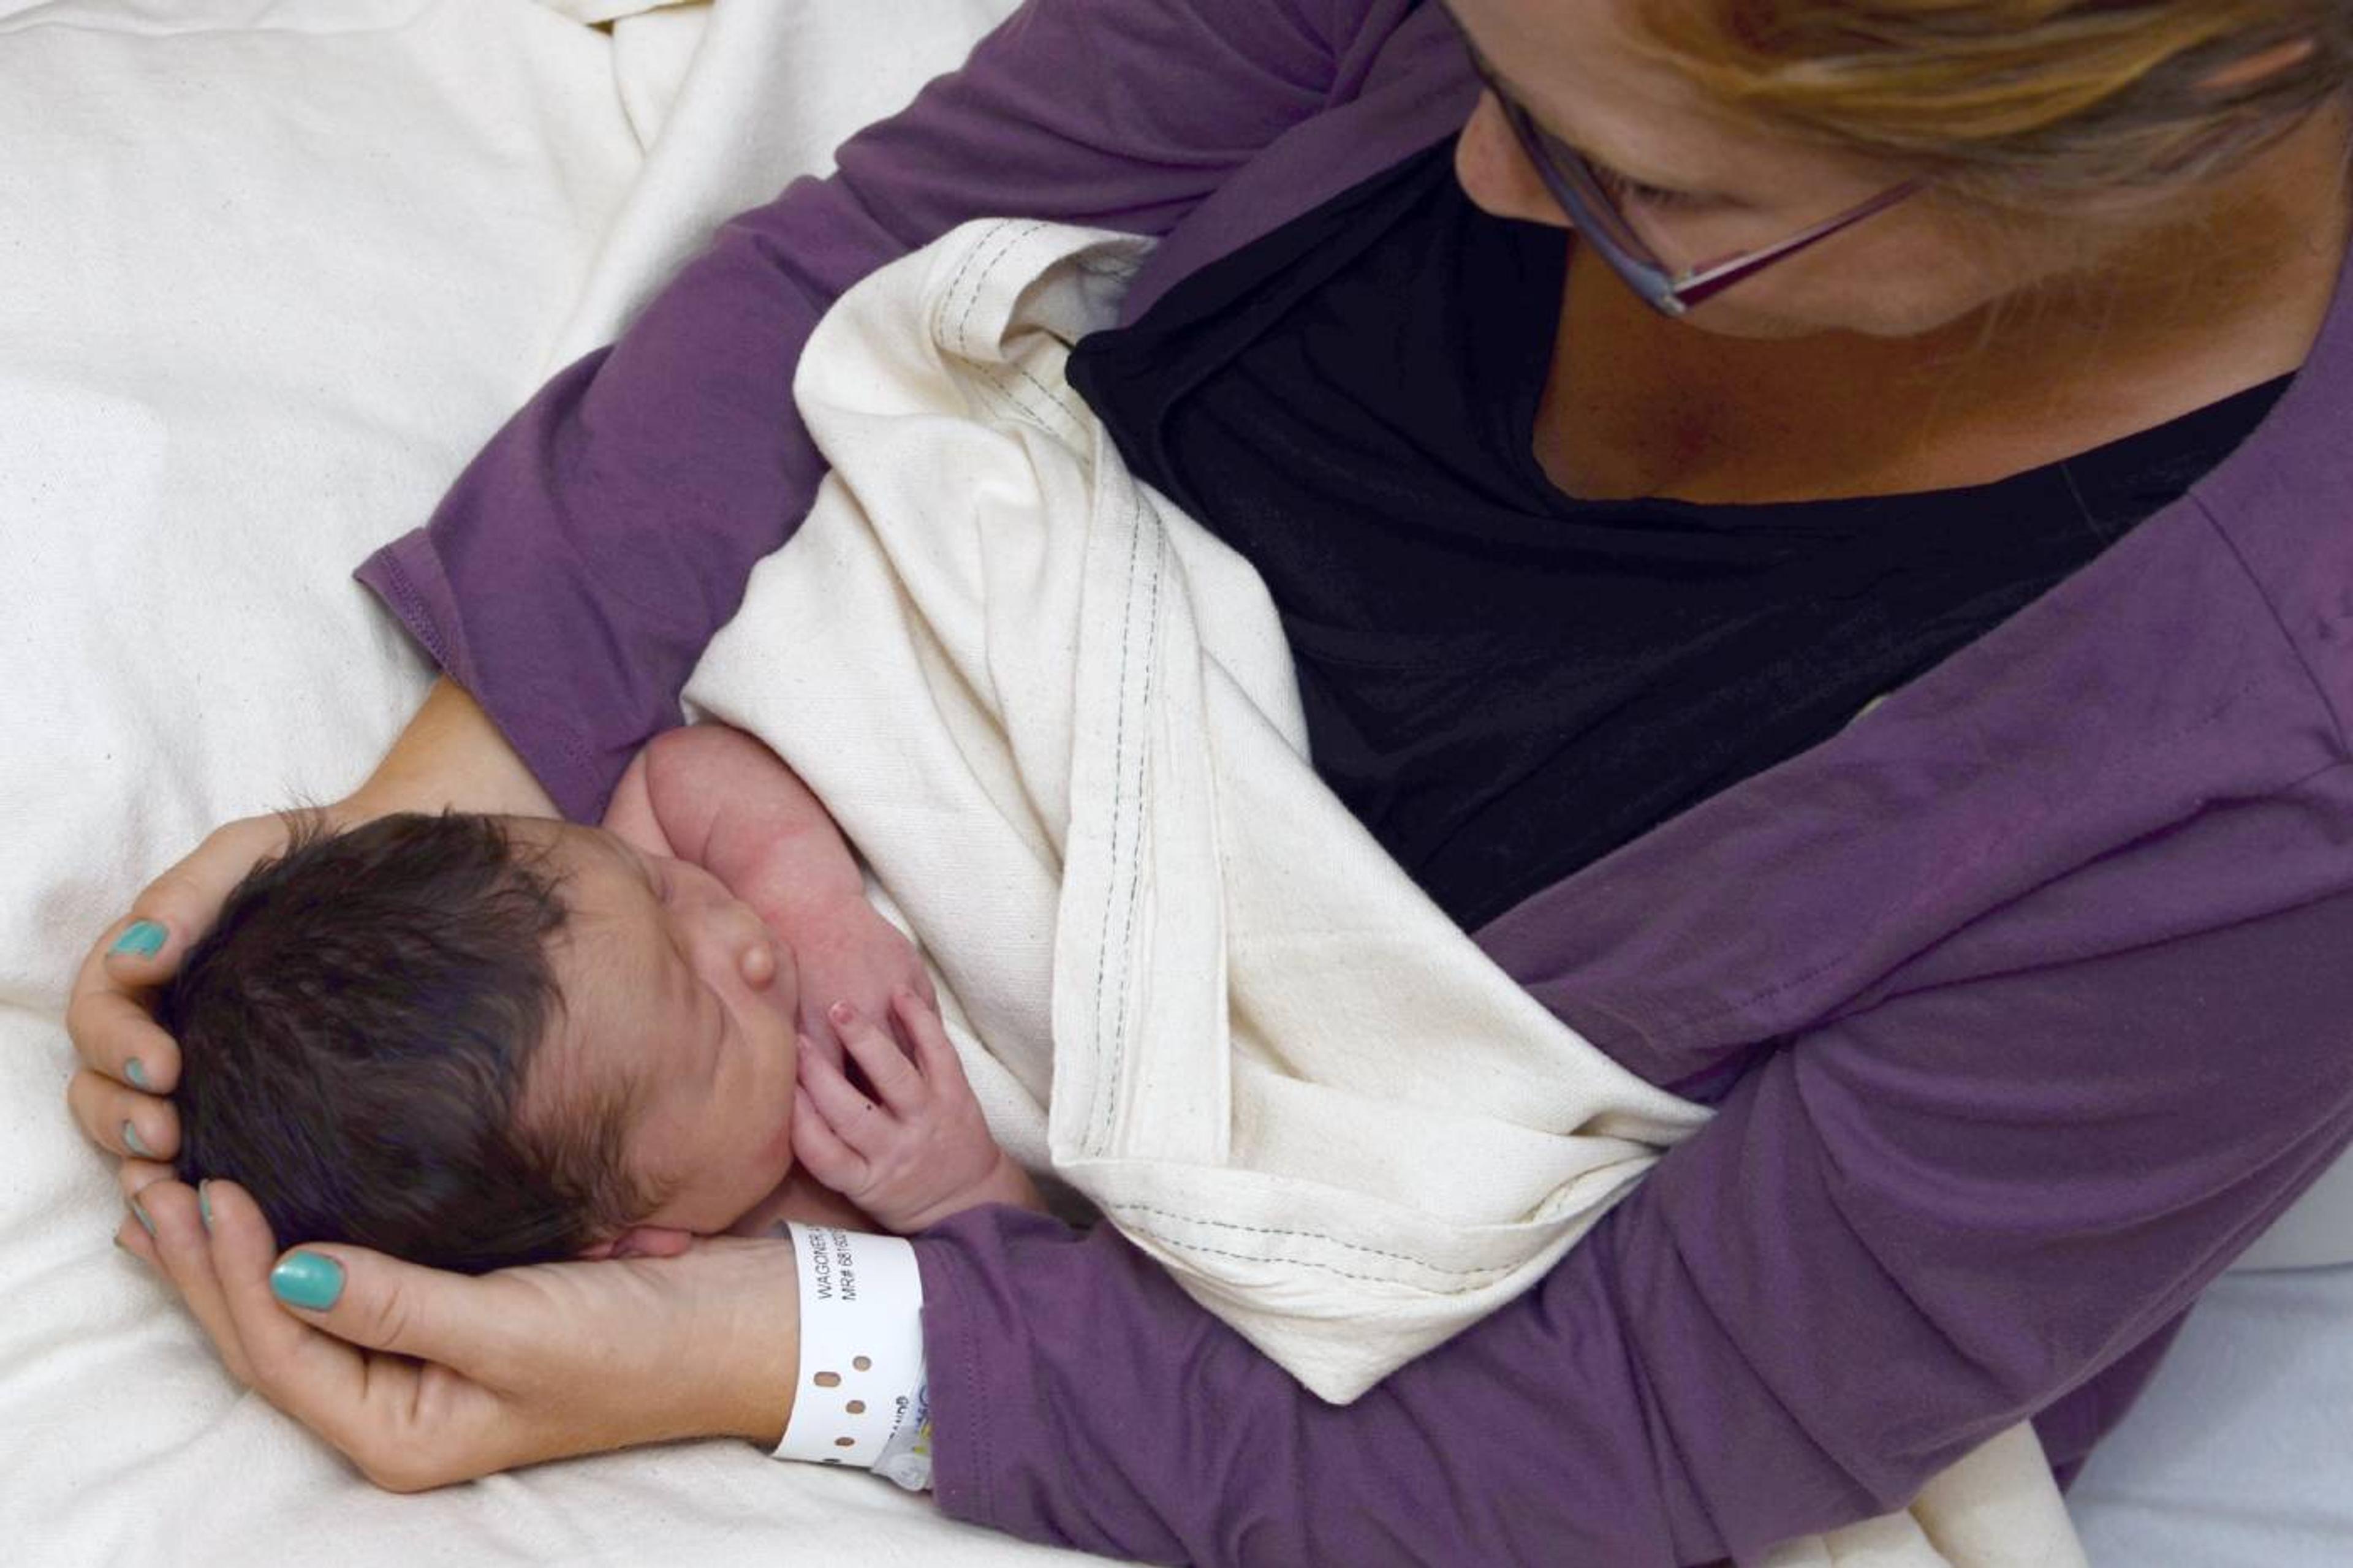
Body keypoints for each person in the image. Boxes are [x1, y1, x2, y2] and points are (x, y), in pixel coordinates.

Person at [67, 0, 2353, 1561]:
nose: (1460, 153)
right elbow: (883, 267)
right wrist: (437, 908)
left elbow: (1635, 1424)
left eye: (1638, 182)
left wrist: (784, 1337)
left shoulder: (2269, 761)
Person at [162, 721, 1040, 1274]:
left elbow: (680, 768)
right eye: (711, 1025)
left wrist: (807, 900)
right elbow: (1026, 1307)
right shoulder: (775, 1252)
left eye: (657, 887)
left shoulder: (609, 937)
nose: (746, 946)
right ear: (626, 1238)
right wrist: (953, 1191)